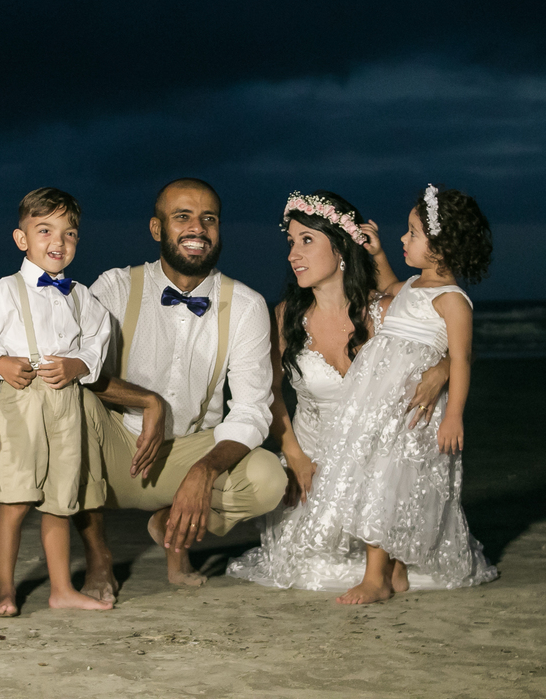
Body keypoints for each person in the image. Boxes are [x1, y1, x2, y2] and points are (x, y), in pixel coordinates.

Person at [75, 178, 288, 601]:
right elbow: (80, 369)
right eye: (183, 217)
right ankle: (99, 559)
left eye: (209, 218)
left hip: (188, 451)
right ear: (157, 229)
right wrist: (147, 401)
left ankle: (170, 526)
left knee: (268, 479)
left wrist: (204, 469)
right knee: (63, 404)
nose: (198, 227)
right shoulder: (115, 287)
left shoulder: (246, 305)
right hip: (115, 450)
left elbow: (252, 411)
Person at [228, 190, 448, 592]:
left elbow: (455, 332)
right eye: (291, 242)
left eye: (307, 240)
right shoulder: (284, 317)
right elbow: (269, 393)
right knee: (312, 568)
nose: (294, 253)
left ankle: (390, 557)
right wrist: (293, 455)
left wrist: (443, 369)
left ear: (341, 246)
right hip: (313, 467)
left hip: (380, 468)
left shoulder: (386, 310)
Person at [294, 184, 498, 604]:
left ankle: (377, 578)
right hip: (378, 404)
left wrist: (454, 415)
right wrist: (379, 254)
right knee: (376, 479)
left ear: (441, 246)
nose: (404, 238)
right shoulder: (413, 286)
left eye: (413, 232)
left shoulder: (452, 301)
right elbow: (388, 287)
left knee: (389, 484)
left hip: (410, 411)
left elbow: (460, 360)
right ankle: (396, 570)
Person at [0, 188, 115, 616]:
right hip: (23, 400)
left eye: (69, 233)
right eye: (45, 230)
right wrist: (0, 361)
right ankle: (4, 589)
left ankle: (61, 588)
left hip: (66, 402)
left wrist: (77, 366)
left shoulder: (82, 296)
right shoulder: (6, 291)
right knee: (15, 497)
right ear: (21, 238)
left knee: (60, 501)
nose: (58, 242)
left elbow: (97, 342)